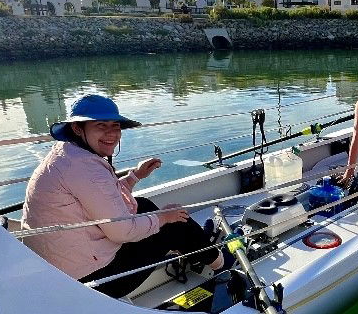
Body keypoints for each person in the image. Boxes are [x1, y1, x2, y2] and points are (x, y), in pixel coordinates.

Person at [22, 94, 227, 297]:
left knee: (142, 205)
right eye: (101, 125)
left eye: (115, 126)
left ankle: (195, 249)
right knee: (176, 225)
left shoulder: (68, 153)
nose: (111, 134)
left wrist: (134, 177)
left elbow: (100, 198)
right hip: (91, 282)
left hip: (58, 269)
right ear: (77, 128)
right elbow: (122, 232)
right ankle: (221, 262)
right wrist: (164, 217)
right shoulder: (85, 168)